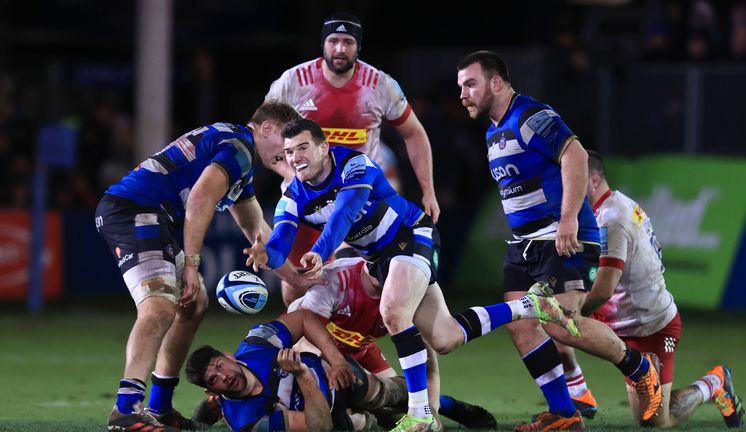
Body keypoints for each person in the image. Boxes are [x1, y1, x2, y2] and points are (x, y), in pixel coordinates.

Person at [246, 118, 580, 432]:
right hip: (381, 258)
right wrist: (267, 253)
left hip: (412, 235)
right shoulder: (291, 195)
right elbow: (280, 239)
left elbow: (344, 216)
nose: (295, 157)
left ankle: (421, 416)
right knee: (445, 338)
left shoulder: (354, 165)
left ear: (324, 148)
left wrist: (319, 251)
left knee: (392, 310)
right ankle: (531, 304)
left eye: (302, 147)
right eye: (289, 152)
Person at [456, 50, 662, 431]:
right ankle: (565, 413)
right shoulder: (493, 130)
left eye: (470, 84)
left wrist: (567, 220)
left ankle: (639, 366)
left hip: (560, 236)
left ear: (496, 82)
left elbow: (576, 155)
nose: (463, 94)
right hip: (524, 244)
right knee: (521, 326)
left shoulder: (530, 116)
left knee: (559, 321)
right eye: (461, 87)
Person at [95, 101, 308, 431]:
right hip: (134, 211)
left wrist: (297, 277)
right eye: (287, 140)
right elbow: (199, 199)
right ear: (266, 129)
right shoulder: (240, 150)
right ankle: (126, 409)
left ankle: (160, 407)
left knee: (192, 304)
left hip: (150, 215)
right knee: (159, 308)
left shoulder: (239, 156)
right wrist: (192, 265)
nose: (289, 152)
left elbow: (257, 233)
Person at [264, 12, 440, 306]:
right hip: (306, 203)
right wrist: (288, 172)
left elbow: (415, 134)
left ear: (358, 46)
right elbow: (263, 134)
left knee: (356, 292)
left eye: (348, 42)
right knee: (295, 286)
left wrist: (428, 191)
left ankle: (356, 350)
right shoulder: (293, 82)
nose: (340, 49)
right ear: (324, 44)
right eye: (333, 41)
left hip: (358, 201)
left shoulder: (379, 84)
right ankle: (307, 352)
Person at [581, 150, 746, 428]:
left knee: (657, 419)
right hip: (627, 324)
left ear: (594, 180)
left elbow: (604, 289)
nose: (566, 184)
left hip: (653, 328)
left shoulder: (612, 218)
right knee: (560, 328)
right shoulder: (609, 207)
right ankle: (571, 400)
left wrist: (575, 312)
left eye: (574, 177)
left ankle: (715, 382)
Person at [288, 256, 497, 429]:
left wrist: (429, 408)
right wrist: (342, 370)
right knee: (352, 409)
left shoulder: (405, 287)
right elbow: (303, 343)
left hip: (361, 350)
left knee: (403, 407)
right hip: (320, 352)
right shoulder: (334, 281)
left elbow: (424, 354)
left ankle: (445, 404)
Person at [185, 308, 405, 432]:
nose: (224, 376)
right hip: (329, 420)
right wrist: (302, 376)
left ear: (228, 356)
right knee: (372, 426)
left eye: (220, 366)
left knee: (392, 394)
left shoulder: (257, 344)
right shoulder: (246, 422)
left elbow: (302, 318)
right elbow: (318, 428)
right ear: (212, 391)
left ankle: (436, 402)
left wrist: (337, 361)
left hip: (338, 376)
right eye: (214, 379)